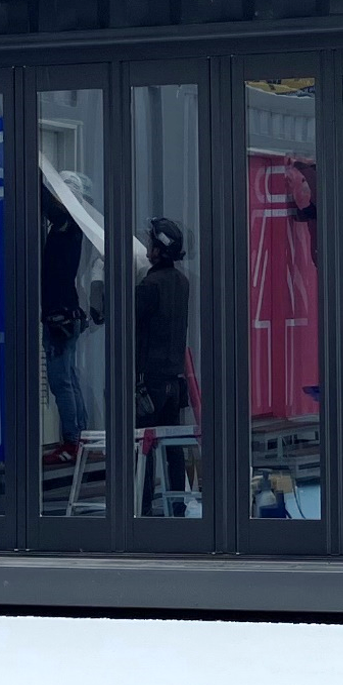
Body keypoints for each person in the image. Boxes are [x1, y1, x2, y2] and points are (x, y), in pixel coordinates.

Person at [135, 217, 193, 515]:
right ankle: (178, 506)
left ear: (159, 249)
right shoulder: (182, 283)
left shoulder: (150, 285)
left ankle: (142, 508)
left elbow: (127, 317)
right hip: (174, 378)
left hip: (150, 379)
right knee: (173, 447)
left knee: (142, 445)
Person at [40, 184, 88, 467]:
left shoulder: (67, 225)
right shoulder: (74, 228)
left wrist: (35, 178)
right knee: (69, 378)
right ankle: (80, 437)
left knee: (61, 381)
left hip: (60, 317)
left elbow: (53, 208)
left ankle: (72, 441)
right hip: (67, 314)